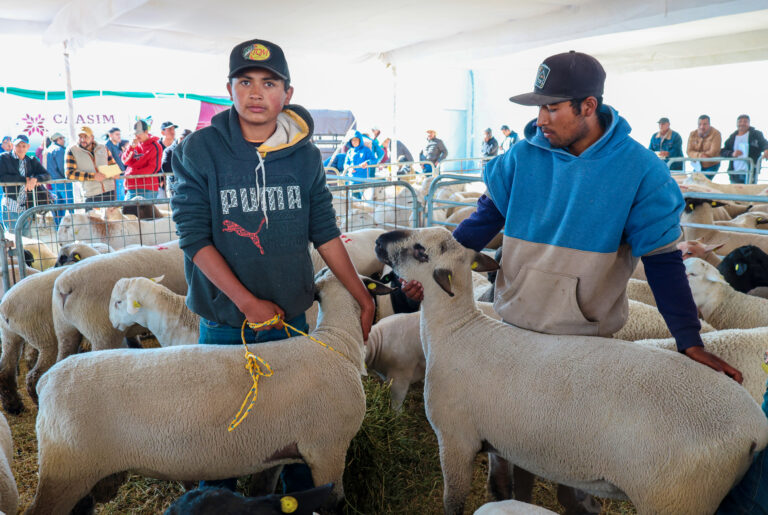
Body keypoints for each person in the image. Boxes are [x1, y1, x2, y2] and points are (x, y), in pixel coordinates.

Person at [402, 50, 742, 513]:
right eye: (538, 108)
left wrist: (689, 340)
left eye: (552, 107)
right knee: (504, 449)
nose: (541, 119)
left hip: (581, 346)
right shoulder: (522, 157)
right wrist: (431, 270)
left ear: (588, 105)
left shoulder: (640, 171)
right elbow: (482, 222)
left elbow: (661, 262)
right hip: (513, 330)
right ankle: (505, 506)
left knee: (580, 455)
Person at [170, 38, 374, 494]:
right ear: (229, 89)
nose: (256, 92)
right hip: (227, 321)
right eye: (245, 81)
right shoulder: (199, 151)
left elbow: (324, 229)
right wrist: (245, 303)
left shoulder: (304, 155)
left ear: (288, 92)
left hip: (291, 318)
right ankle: (217, 498)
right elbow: (193, 236)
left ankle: (299, 499)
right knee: (222, 423)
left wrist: (362, 296)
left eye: (269, 82)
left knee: (296, 421)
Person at [0, 135, 51, 234]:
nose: (21, 148)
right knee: (13, 239)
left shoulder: (31, 160)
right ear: (12, 145)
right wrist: (25, 180)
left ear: (28, 147)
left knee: (26, 241)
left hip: (27, 206)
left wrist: (35, 179)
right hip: (10, 205)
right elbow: (1, 177)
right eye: (18, 145)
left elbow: (47, 175)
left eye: (24, 146)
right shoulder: (4, 158)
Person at [65, 126, 118, 204]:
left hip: (110, 191)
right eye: (80, 137)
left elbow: (113, 165)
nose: (82, 139)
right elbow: (69, 174)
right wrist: (93, 176)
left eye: (86, 137)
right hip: (90, 194)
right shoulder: (72, 151)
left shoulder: (103, 148)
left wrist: (115, 172)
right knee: (93, 216)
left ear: (92, 138)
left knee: (113, 216)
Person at [720, 114, 768, 185]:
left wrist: (766, 150)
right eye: (740, 121)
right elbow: (723, 151)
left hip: (751, 171)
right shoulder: (732, 137)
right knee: (735, 194)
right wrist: (732, 154)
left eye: (745, 121)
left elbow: (764, 143)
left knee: (750, 193)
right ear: (737, 123)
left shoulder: (756, 134)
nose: (742, 123)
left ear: (749, 123)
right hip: (735, 173)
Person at [122, 120, 163, 200]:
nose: (137, 136)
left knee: (146, 212)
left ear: (146, 131)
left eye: (139, 133)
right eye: (135, 133)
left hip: (147, 188)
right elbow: (125, 161)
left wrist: (132, 174)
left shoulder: (155, 146)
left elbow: (153, 168)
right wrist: (131, 148)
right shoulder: (133, 144)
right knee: (127, 211)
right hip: (131, 186)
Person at [45, 132, 72, 227]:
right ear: (58, 139)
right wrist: (68, 177)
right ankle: (74, 225)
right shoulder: (59, 150)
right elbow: (62, 167)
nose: (64, 140)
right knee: (71, 205)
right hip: (63, 181)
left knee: (57, 207)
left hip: (53, 182)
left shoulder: (48, 150)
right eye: (62, 138)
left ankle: (58, 228)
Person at [105, 127, 127, 200]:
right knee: (118, 198)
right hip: (115, 177)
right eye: (117, 134)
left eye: (119, 134)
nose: (119, 136)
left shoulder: (116, 146)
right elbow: (107, 162)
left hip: (120, 175)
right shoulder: (107, 146)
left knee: (121, 197)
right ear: (110, 135)